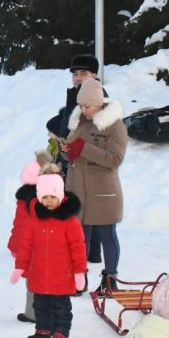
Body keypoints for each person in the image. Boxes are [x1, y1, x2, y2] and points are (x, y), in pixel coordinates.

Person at [61, 78, 127, 293]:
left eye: (87, 105)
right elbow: (74, 148)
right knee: (79, 238)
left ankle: (110, 281)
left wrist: (84, 148)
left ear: (99, 103)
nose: (83, 109)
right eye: (80, 105)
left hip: (102, 192)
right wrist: (66, 150)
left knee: (107, 235)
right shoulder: (80, 121)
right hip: (78, 188)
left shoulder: (115, 125)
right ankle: (80, 279)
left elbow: (115, 159)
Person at [10, 171, 86, 338]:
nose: (49, 201)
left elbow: (78, 247)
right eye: (45, 197)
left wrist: (79, 272)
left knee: (61, 307)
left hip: (62, 275)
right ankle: (43, 331)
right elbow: (25, 246)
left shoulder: (70, 221)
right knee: (40, 305)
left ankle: (60, 334)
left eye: (53, 196)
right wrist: (20, 267)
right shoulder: (33, 220)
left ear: (60, 195)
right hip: (39, 274)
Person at [46, 53, 106, 264]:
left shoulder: (95, 97)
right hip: (70, 156)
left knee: (84, 210)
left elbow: (93, 130)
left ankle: (85, 256)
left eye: (84, 73)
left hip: (85, 160)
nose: (78, 78)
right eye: (75, 74)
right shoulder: (75, 95)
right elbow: (67, 122)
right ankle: (88, 252)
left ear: (94, 75)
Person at [6, 152, 52, 324]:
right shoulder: (51, 199)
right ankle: (40, 311)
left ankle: (34, 313)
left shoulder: (26, 200)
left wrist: (15, 246)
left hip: (30, 247)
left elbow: (19, 225)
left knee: (34, 282)